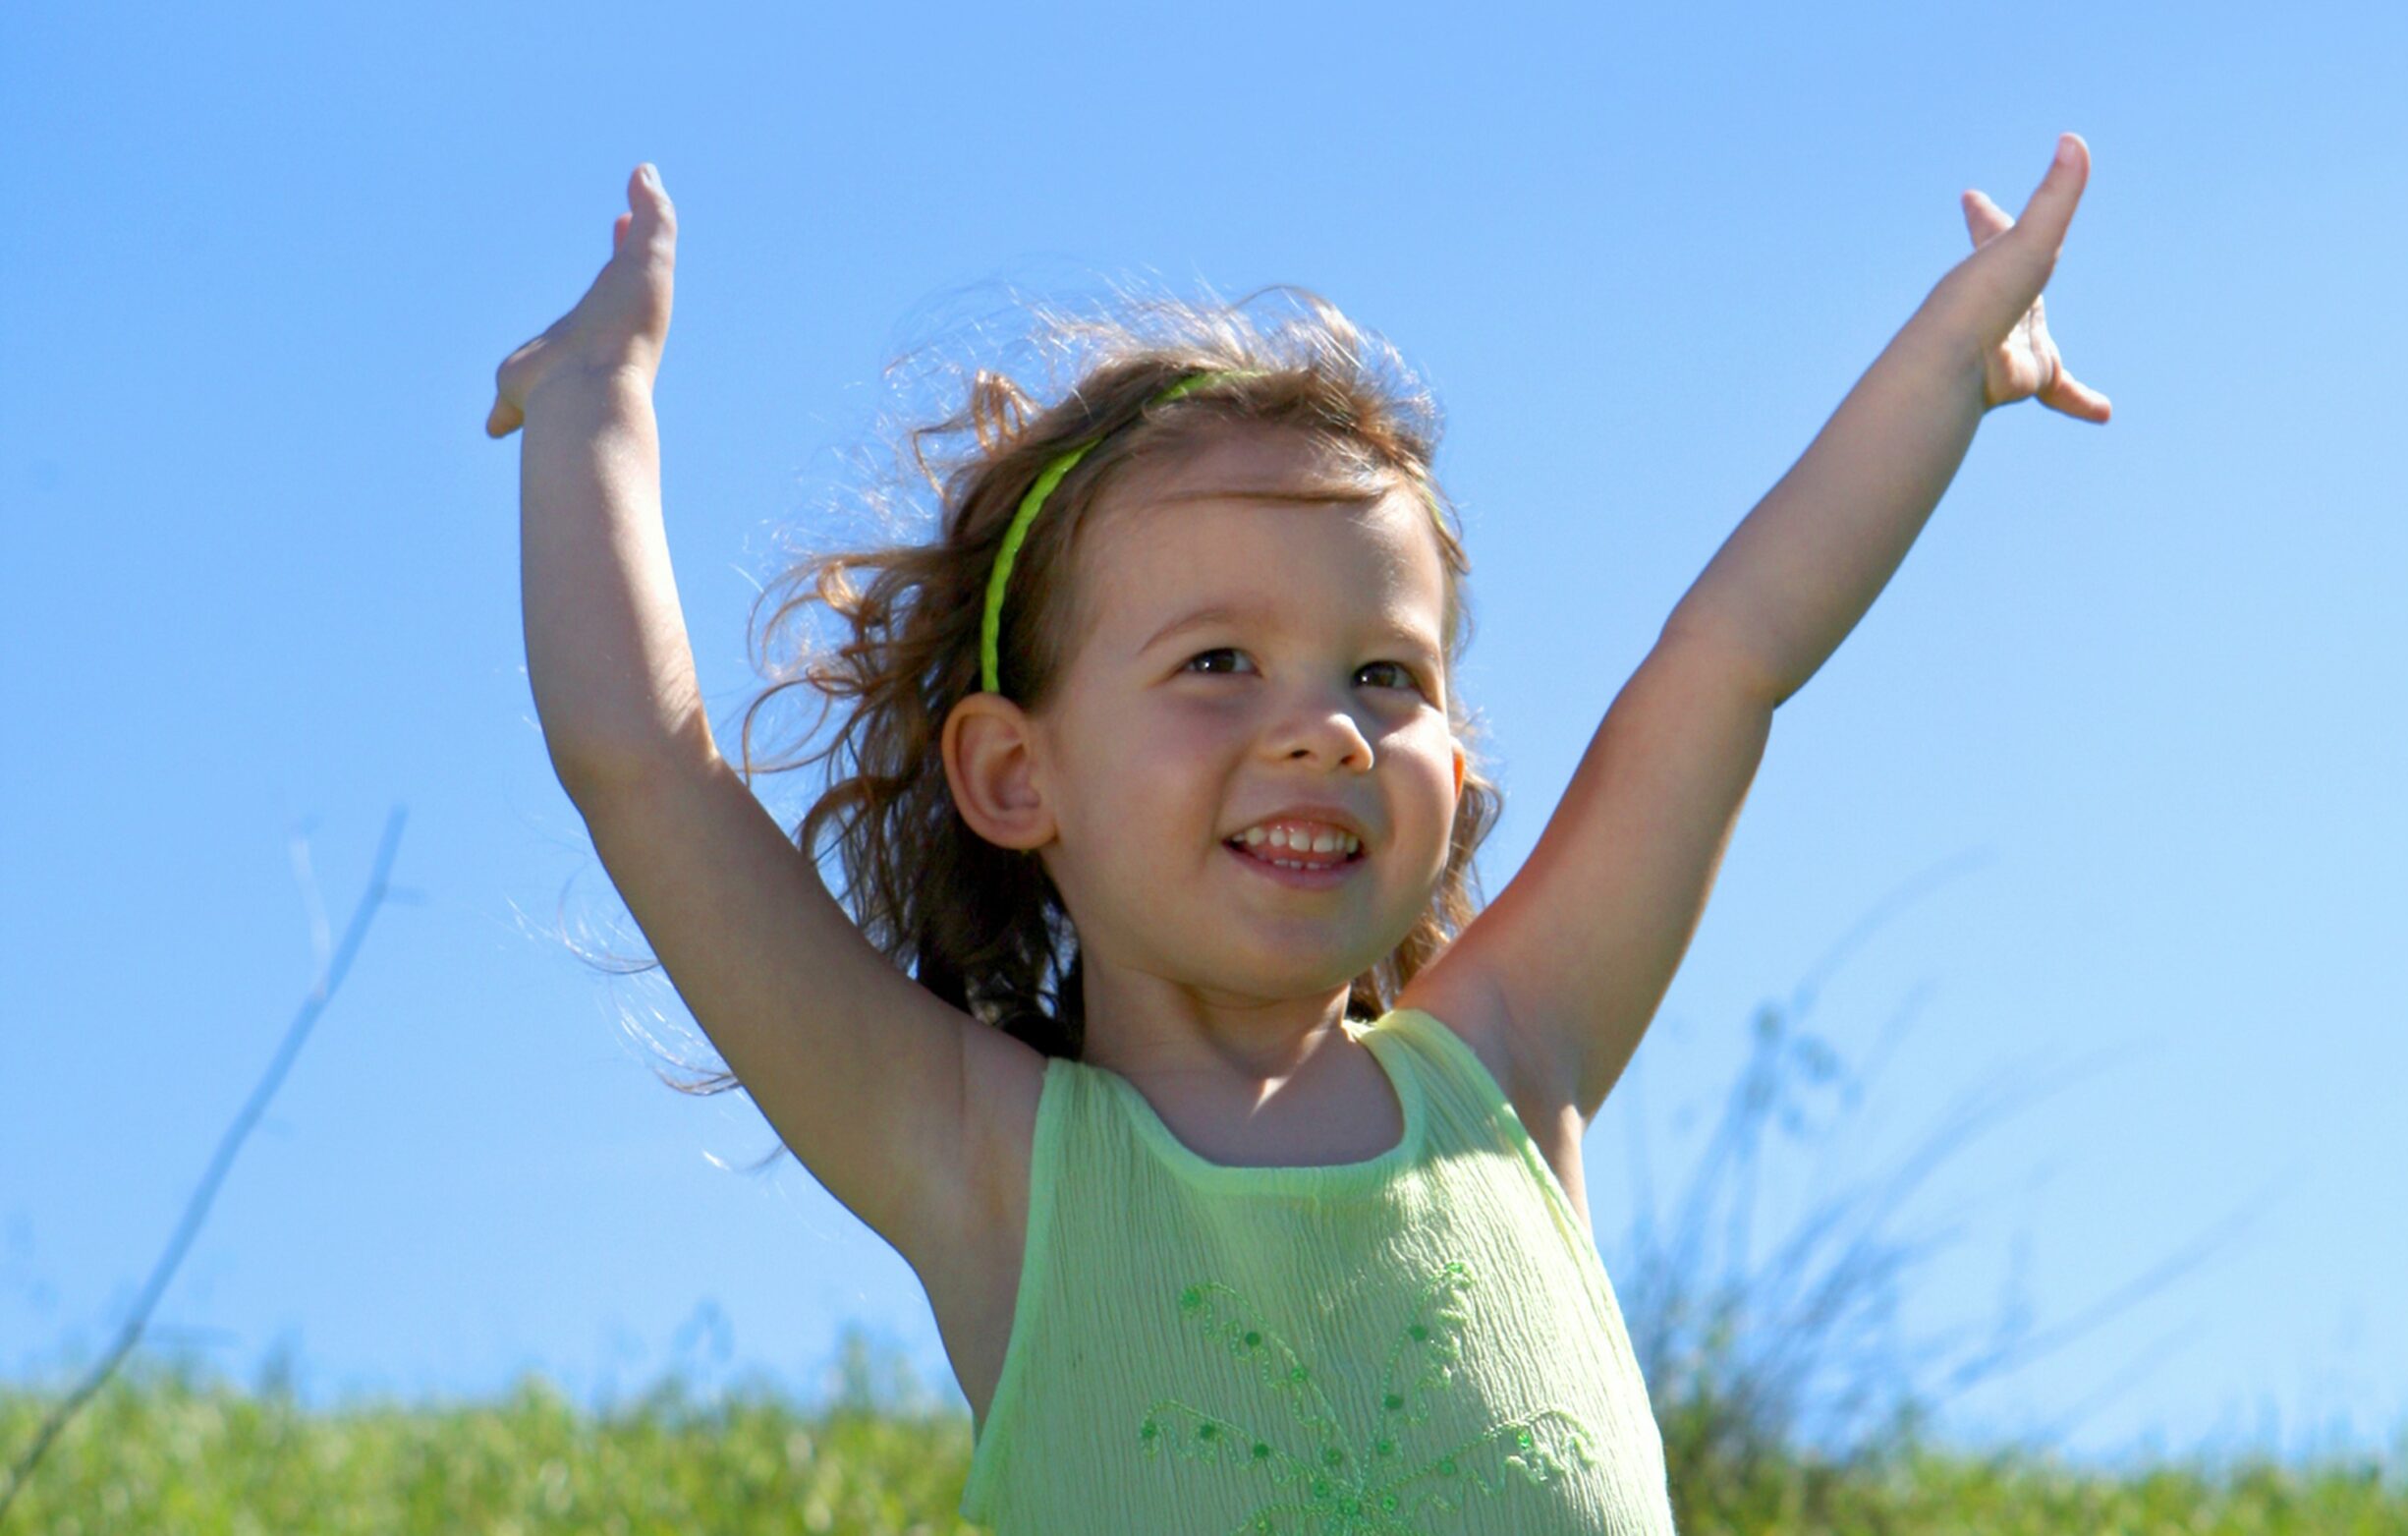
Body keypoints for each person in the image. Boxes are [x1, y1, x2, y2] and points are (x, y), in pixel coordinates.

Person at [485, 142, 2107, 1533]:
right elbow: (645, 768)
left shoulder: (1505, 1079)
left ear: (1458, 768)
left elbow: (1729, 660)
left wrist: (1947, 373)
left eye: (1385, 676)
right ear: (1011, 774)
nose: (1323, 726)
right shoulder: (991, 1168)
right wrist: (593, 410)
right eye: (1215, 663)